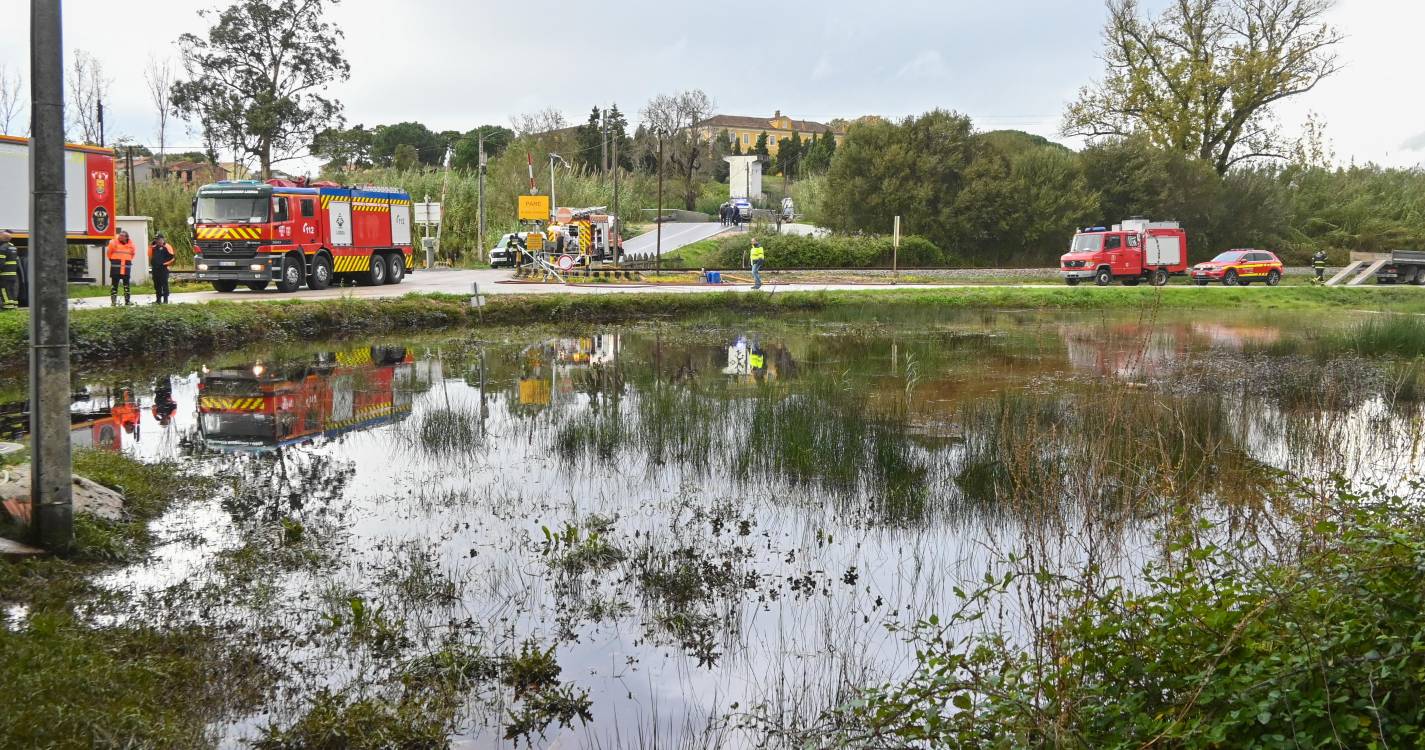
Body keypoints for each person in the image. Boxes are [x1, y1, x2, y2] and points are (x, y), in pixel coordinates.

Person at [106, 228, 137, 306]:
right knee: (114, 286)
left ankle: (127, 302)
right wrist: (114, 261)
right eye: (120, 235)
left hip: (126, 269)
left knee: (126, 286)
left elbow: (132, 255)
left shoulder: (131, 245)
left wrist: (126, 261)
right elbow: (109, 254)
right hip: (115, 269)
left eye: (122, 236)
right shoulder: (113, 243)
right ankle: (113, 302)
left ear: (126, 237)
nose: (120, 237)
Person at [149, 232, 175, 304]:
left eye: (158, 239)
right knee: (157, 284)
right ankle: (158, 300)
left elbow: (172, 258)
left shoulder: (167, 246)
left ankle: (165, 300)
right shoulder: (153, 247)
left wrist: (164, 264)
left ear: (162, 239)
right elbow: (150, 255)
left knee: (164, 284)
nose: (157, 241)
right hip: (155, 269)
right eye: (156, 239)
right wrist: (151, 245)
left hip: (164, 269)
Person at [0, 231, 18, 310]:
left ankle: (8, 307)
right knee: (11, 290)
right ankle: (14, 306)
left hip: (5, 274)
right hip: (13, 274)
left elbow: (1, 262)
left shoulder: (3, 248)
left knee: (4, 290)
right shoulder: (13, 246)